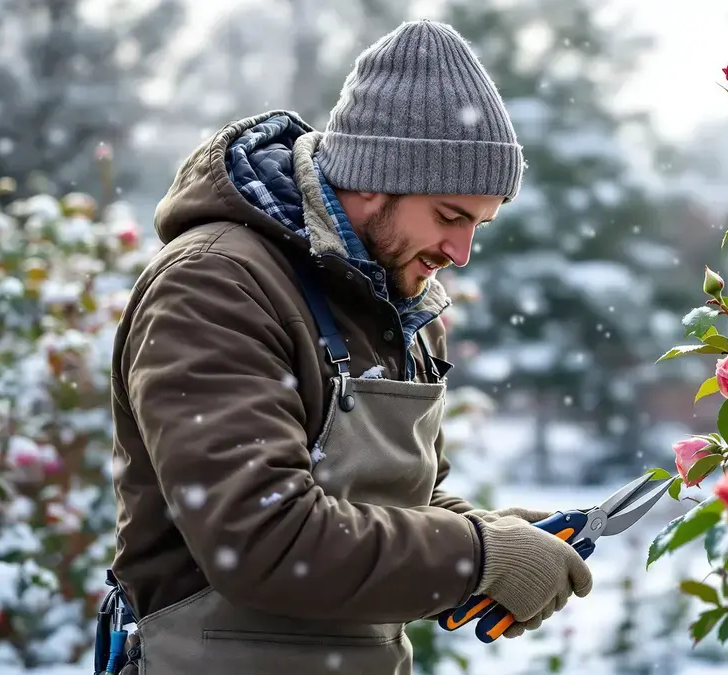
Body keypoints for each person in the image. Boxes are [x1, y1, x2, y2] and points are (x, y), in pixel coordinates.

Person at [104, 19, 593, 675]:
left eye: (479, 224)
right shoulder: (215, 285)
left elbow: (398, 512)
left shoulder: (403, 306)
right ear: (371, 178)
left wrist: (502, 539)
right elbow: (263, 539)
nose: (461, 253)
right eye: (450, 216)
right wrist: (474, 554)